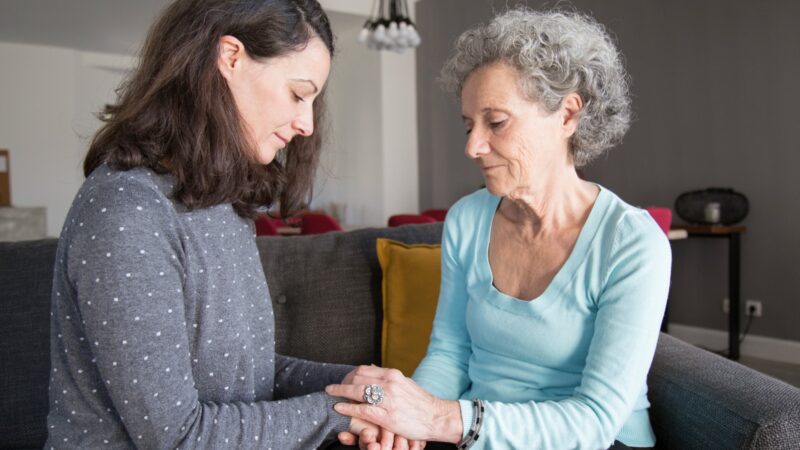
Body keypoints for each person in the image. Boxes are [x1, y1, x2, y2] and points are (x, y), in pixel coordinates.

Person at [45, 0, 393, 448]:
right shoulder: (126, 210)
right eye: (298, 93)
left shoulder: (220, 204)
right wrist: (342, 415)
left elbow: (246, 372)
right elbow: (177, 436)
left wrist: (365, 389)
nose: (307, 123)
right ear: (230, 57)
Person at [327, 8, 671, 450]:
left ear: (567, 115)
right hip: (475, 435)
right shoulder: (468, 219)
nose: (473, 146)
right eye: (469, 125)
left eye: (497, 122)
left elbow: (595, 421)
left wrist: (439, 419)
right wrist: (402, 423)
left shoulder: (632, 243)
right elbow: (450, 355)